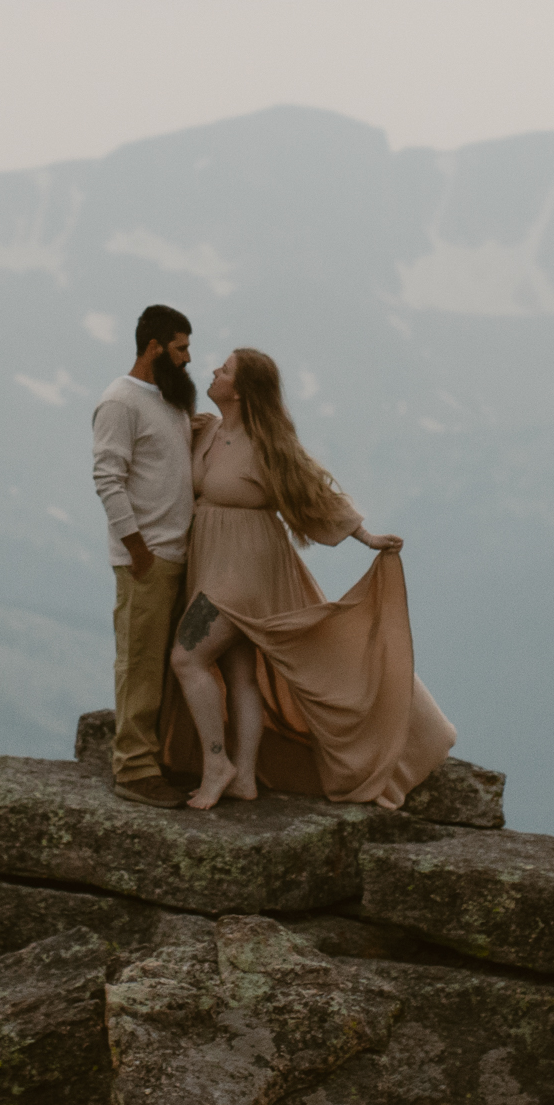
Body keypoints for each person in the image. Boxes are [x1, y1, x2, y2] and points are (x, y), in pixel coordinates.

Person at [164, 347, 456, 810]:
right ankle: (244, 778)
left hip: (243, 571)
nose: (215, 373)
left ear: (239, 390)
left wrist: (367, 536)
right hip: (213, 562)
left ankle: (217, 764)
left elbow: (313, 491)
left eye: (225, 370)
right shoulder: (210, 431)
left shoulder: (266, 446)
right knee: (239, 671)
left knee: (187, 658)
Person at [91, 304, 201, 807]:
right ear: (155, 347)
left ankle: (158, 760)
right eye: (180, 348)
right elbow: (108, 478)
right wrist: (137, 549)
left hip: (177, 554)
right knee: (139, 664)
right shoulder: (120, 401)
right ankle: (134, 771)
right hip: (149, 556)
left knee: (166, 667)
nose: (188, 358)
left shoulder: (170, 402)